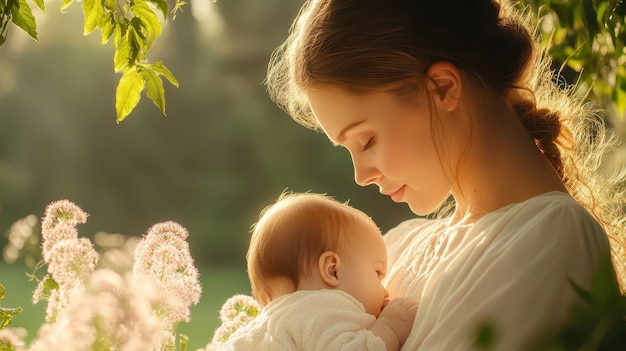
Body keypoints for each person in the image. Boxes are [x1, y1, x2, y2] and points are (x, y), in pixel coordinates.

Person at [265, 0, 626, 349]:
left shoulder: (548, 238)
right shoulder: (397, 246)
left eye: (367, 140)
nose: (361, 176)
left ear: (442, 88)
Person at [221, 192, 420, 351]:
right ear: (332, 270)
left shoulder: (254, 332)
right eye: (377, 273)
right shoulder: (321, 310)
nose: (385, 291)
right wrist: (390, 328)